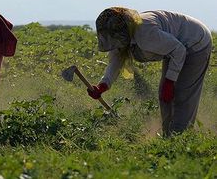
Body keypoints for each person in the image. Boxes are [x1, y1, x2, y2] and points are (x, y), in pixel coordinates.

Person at [89, 7, 212, 136]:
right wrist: (103, 85)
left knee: (181, 93)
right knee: (164, 95)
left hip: (195, 41)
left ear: (123, 32)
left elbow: (179, 50)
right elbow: (115, 62)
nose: (114, 44)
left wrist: (169, 82)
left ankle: (181, 137)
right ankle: (168, 135)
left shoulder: (146, 32)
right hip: (175, 49)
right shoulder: (118, 36)